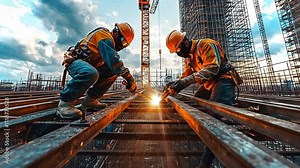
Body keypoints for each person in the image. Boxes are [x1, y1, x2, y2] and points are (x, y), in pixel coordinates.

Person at [165, 30, 242, 168]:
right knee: (195, 104)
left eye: (177, 50)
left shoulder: (206, 45)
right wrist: (175, 84)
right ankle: (200, 136)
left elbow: (213, 68)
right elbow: (186, 75)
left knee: (215, 117)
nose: (178, 53)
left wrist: (184, 82)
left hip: (224, 79)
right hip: (210, 83)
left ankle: (206, 162)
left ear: (186, 43)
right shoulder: (189, 57)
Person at [57, 22, 137, 119]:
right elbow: (114, 61)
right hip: (76, 62)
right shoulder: (104, 36)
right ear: (116, 34)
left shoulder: (109, 41)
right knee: (91, 72)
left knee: (112, 72)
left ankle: (90, 101)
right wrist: (130, 79)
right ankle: (64, 104)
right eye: (123, 42)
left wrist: (126, 77)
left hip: (89, 64)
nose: (122, 46)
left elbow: (113, 67)